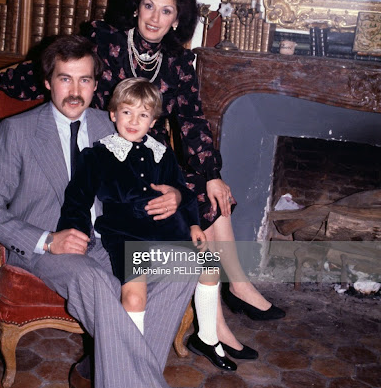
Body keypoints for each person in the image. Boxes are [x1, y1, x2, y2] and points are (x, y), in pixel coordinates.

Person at [0, 0, 284, 364]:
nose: (155, 17)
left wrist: (211, 175)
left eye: (166, 11)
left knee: (208, 195)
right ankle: (217, 316)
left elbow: (192, 120)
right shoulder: (106, 42)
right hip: (108, 151)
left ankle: (224, 304)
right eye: (149, 6)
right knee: (190, 214)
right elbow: (65, 71)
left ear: (177, 20)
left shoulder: (178, 62)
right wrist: (3, 79)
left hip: (147, 155)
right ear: (136, 6)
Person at [0, 35, 212, 388]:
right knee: (94, 280)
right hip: (45, 246)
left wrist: (176, 195)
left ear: (97, 84)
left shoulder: (114, 122)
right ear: (48, 82)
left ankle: (93, 374)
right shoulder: (17, 131)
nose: (75, 90)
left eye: (85, 80)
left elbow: (159, 169)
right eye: (65, 79)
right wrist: (48, 240)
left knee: (185, 264)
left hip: (110, 239)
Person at [58, 77, 249, 370]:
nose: (134, 121)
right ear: (113, 114)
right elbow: (77, 200)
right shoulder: (97, 155)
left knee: (210, 267)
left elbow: (182, 191)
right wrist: (75, 233)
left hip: (168, 232)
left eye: (143, 115)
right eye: (127, 112)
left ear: (153, 121)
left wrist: (193, 224)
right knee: (135, 297)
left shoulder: (162, 153)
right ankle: (129, 366)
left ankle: (207, 338)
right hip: (128, 237)